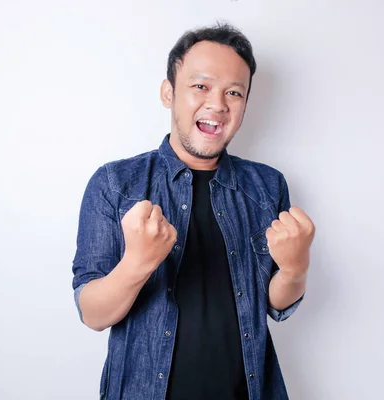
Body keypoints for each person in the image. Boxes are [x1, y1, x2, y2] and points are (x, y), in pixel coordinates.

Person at [71, 22, 315, 400]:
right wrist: (138, 262)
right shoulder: (115, 184)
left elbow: (274, 303)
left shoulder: (268, 187)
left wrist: (296, 268)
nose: (218, 104)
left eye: (234, 92)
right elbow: (93, 314)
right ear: (168, 92)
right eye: (201, 86)